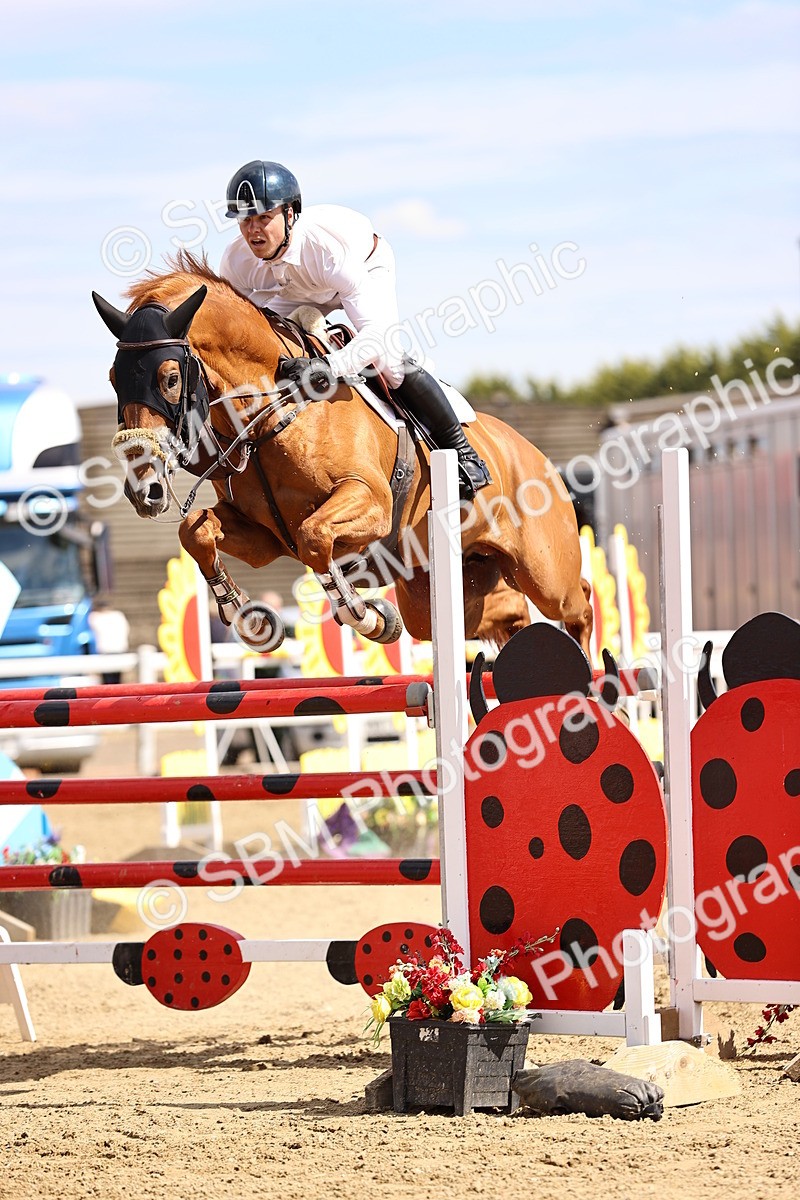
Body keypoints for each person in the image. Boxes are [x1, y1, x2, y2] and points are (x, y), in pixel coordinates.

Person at [219, 160, 492, 500]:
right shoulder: (236, 262)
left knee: (388, 361)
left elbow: (375, 337)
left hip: (365, 266)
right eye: (246, 220)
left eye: (264, 217)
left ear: (290, 215)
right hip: (295, 292)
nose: (253, 231)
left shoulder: (326, 248)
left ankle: (463, 453)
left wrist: (329, 367)